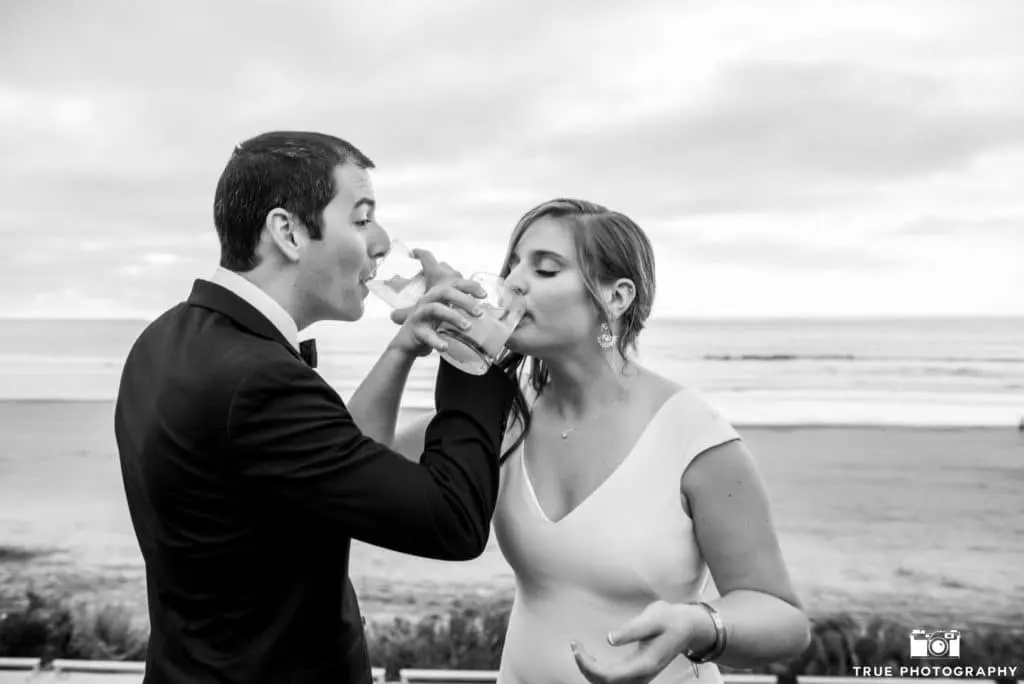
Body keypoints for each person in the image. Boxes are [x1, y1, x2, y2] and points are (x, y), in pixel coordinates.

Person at [113, 130, 516, 684]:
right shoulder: (258, 383)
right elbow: (452, 521)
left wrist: (404, 349)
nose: (381, 240)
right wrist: (470, 348)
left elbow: (342, 469)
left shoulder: (163, 341)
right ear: (288, 231)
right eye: (360, 217)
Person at [394, 198, 812, 683]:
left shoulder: (692, 436)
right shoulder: (505, 413)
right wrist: (407, 344)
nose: (512, 283)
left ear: (617, 298)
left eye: (545, 270)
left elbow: (784, 620)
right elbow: (347, 467)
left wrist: (697, 624)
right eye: (512, 265)